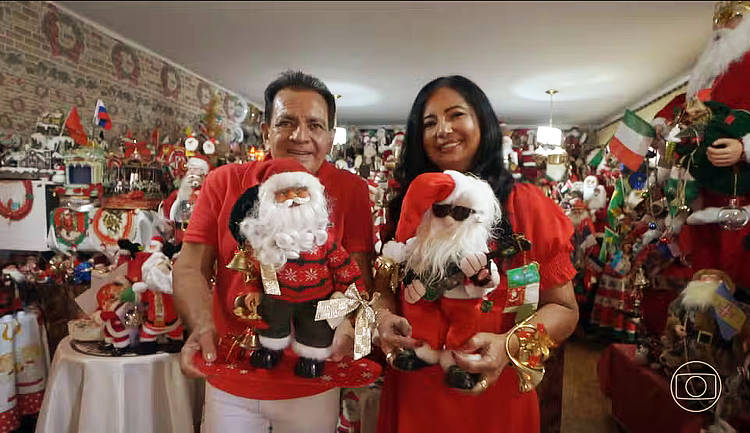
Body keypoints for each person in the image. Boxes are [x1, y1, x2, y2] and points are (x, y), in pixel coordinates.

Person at [373, 75, 579, 433]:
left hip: (497, 394)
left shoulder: (529, 208)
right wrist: (382, 317)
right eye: (429, 122)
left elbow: (564, 309)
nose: (443, 129)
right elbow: (384, 289)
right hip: (415, 387)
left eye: (455, 115)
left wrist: (510, 345)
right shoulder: (409, 206)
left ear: (482, 123)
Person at [172, 70, 374, 433]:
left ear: (330, 136)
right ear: (266, 132)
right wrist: (201, 325)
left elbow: (359, 279)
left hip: (312, 380)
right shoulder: (225, 181)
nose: (301, 136)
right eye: (286, 122)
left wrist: (346, 327)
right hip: (233, 373)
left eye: (315, 125)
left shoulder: (351, 190)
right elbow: (189, 268)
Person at [652, 1, 750, 295]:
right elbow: (686, 112)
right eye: (718, 17)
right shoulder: (709, 77)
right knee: (705, 293)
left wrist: (746, 148)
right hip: (704, 199)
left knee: (747, 286)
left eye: (733, 16)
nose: (720, 25)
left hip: (749, 202)